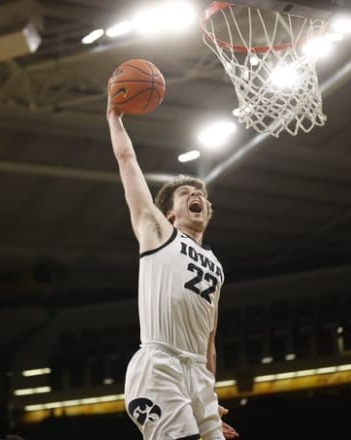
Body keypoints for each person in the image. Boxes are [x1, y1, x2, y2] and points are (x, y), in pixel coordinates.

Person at [107, 95, 239, 440]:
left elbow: (209, 341)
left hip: (197, 374)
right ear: (170, 213)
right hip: (159, 364)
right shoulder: (156, 232)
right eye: (187, 193)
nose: (198, 196)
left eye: (203, 196)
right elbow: (126, 160)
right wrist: (114, 117)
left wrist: (209, 398)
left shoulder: (216, 265)